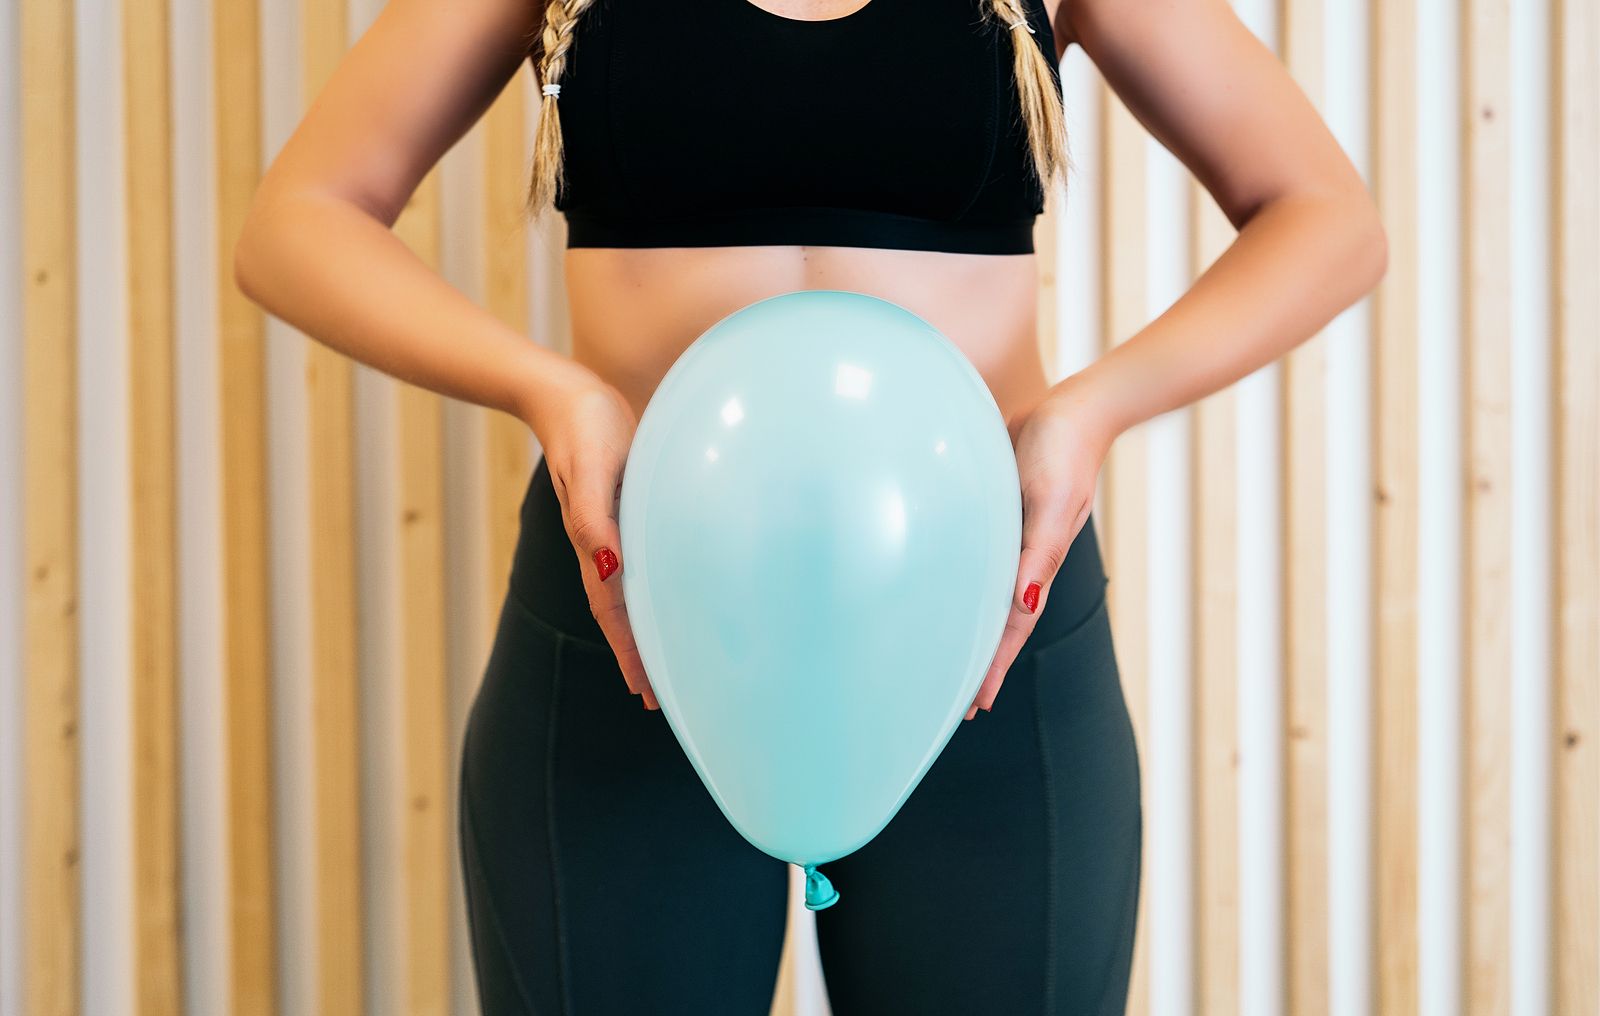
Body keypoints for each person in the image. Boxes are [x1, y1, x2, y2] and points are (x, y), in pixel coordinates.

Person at [232, 0, 1386, 1010]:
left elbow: (1326, 214)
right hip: (634, 608)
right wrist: (551, 388)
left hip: (986, 621)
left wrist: (1088, 412)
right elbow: (299, 218)